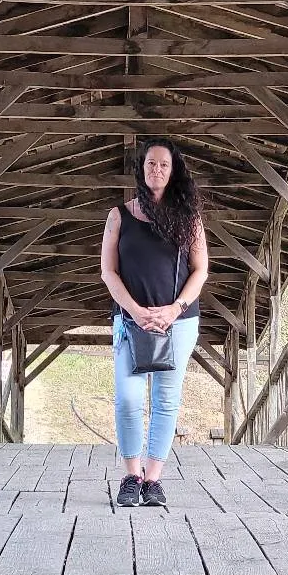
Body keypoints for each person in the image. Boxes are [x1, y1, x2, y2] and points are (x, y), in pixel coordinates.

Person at [100, 138, 208, 507]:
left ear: (173, 170)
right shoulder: (119, 215)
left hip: (177, 322)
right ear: (141, 168)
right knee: (128, 399)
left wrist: (174, 309)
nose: (156, 169)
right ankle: (131, 475)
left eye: (163, 164)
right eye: (150, 164)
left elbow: (200, 270)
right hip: (130, 321)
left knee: (165, 399)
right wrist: (133, 309)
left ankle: (153, 479)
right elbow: (108, 272)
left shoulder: (188, 218)